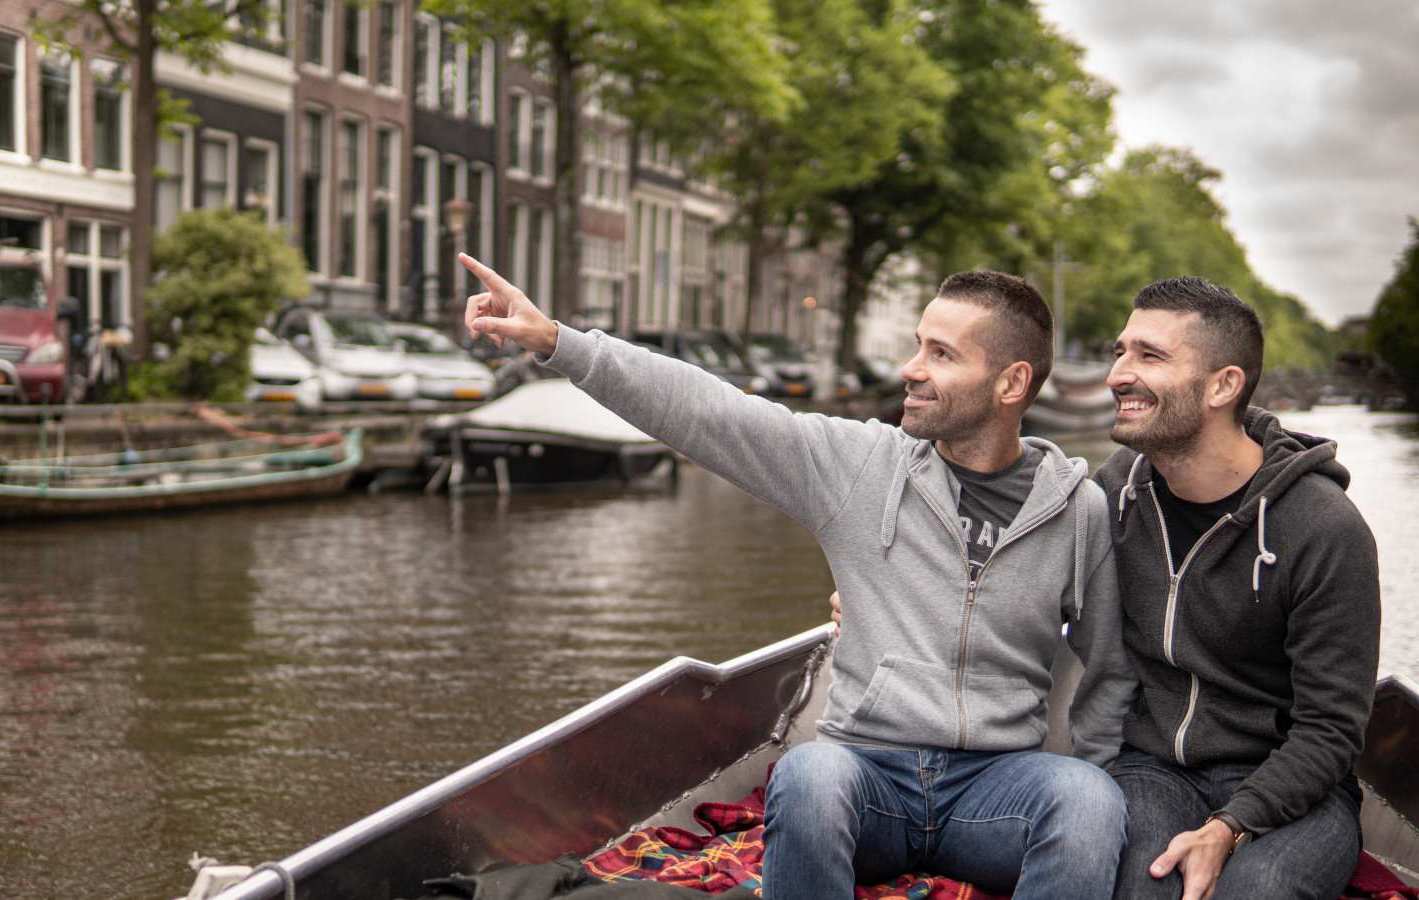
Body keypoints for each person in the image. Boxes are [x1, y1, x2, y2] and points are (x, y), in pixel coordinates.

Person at [457, 252, 1136, 900]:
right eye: (918, 344)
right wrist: (558, 341)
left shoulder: (1079, 511)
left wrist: (1099, 771)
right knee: (809, 776)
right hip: (870, 779)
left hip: (994, 791)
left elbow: (1107, 669)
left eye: (941, 354)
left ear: (1011, 382)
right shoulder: (861, 466)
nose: (910, 368)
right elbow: (708, 411)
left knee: (1088, 802)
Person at [1094, 277, 1380, 900]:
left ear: (1223, 385)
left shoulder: (1323, 527)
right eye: (1120, 352)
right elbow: (1017, 562)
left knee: (1258, 892)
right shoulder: (1116, 490)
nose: (1118, 374)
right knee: (1141, 886)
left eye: (1149, 355)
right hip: (1152, 767)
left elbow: (1331, 728)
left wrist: (1231, 827)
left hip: (1293, 784)